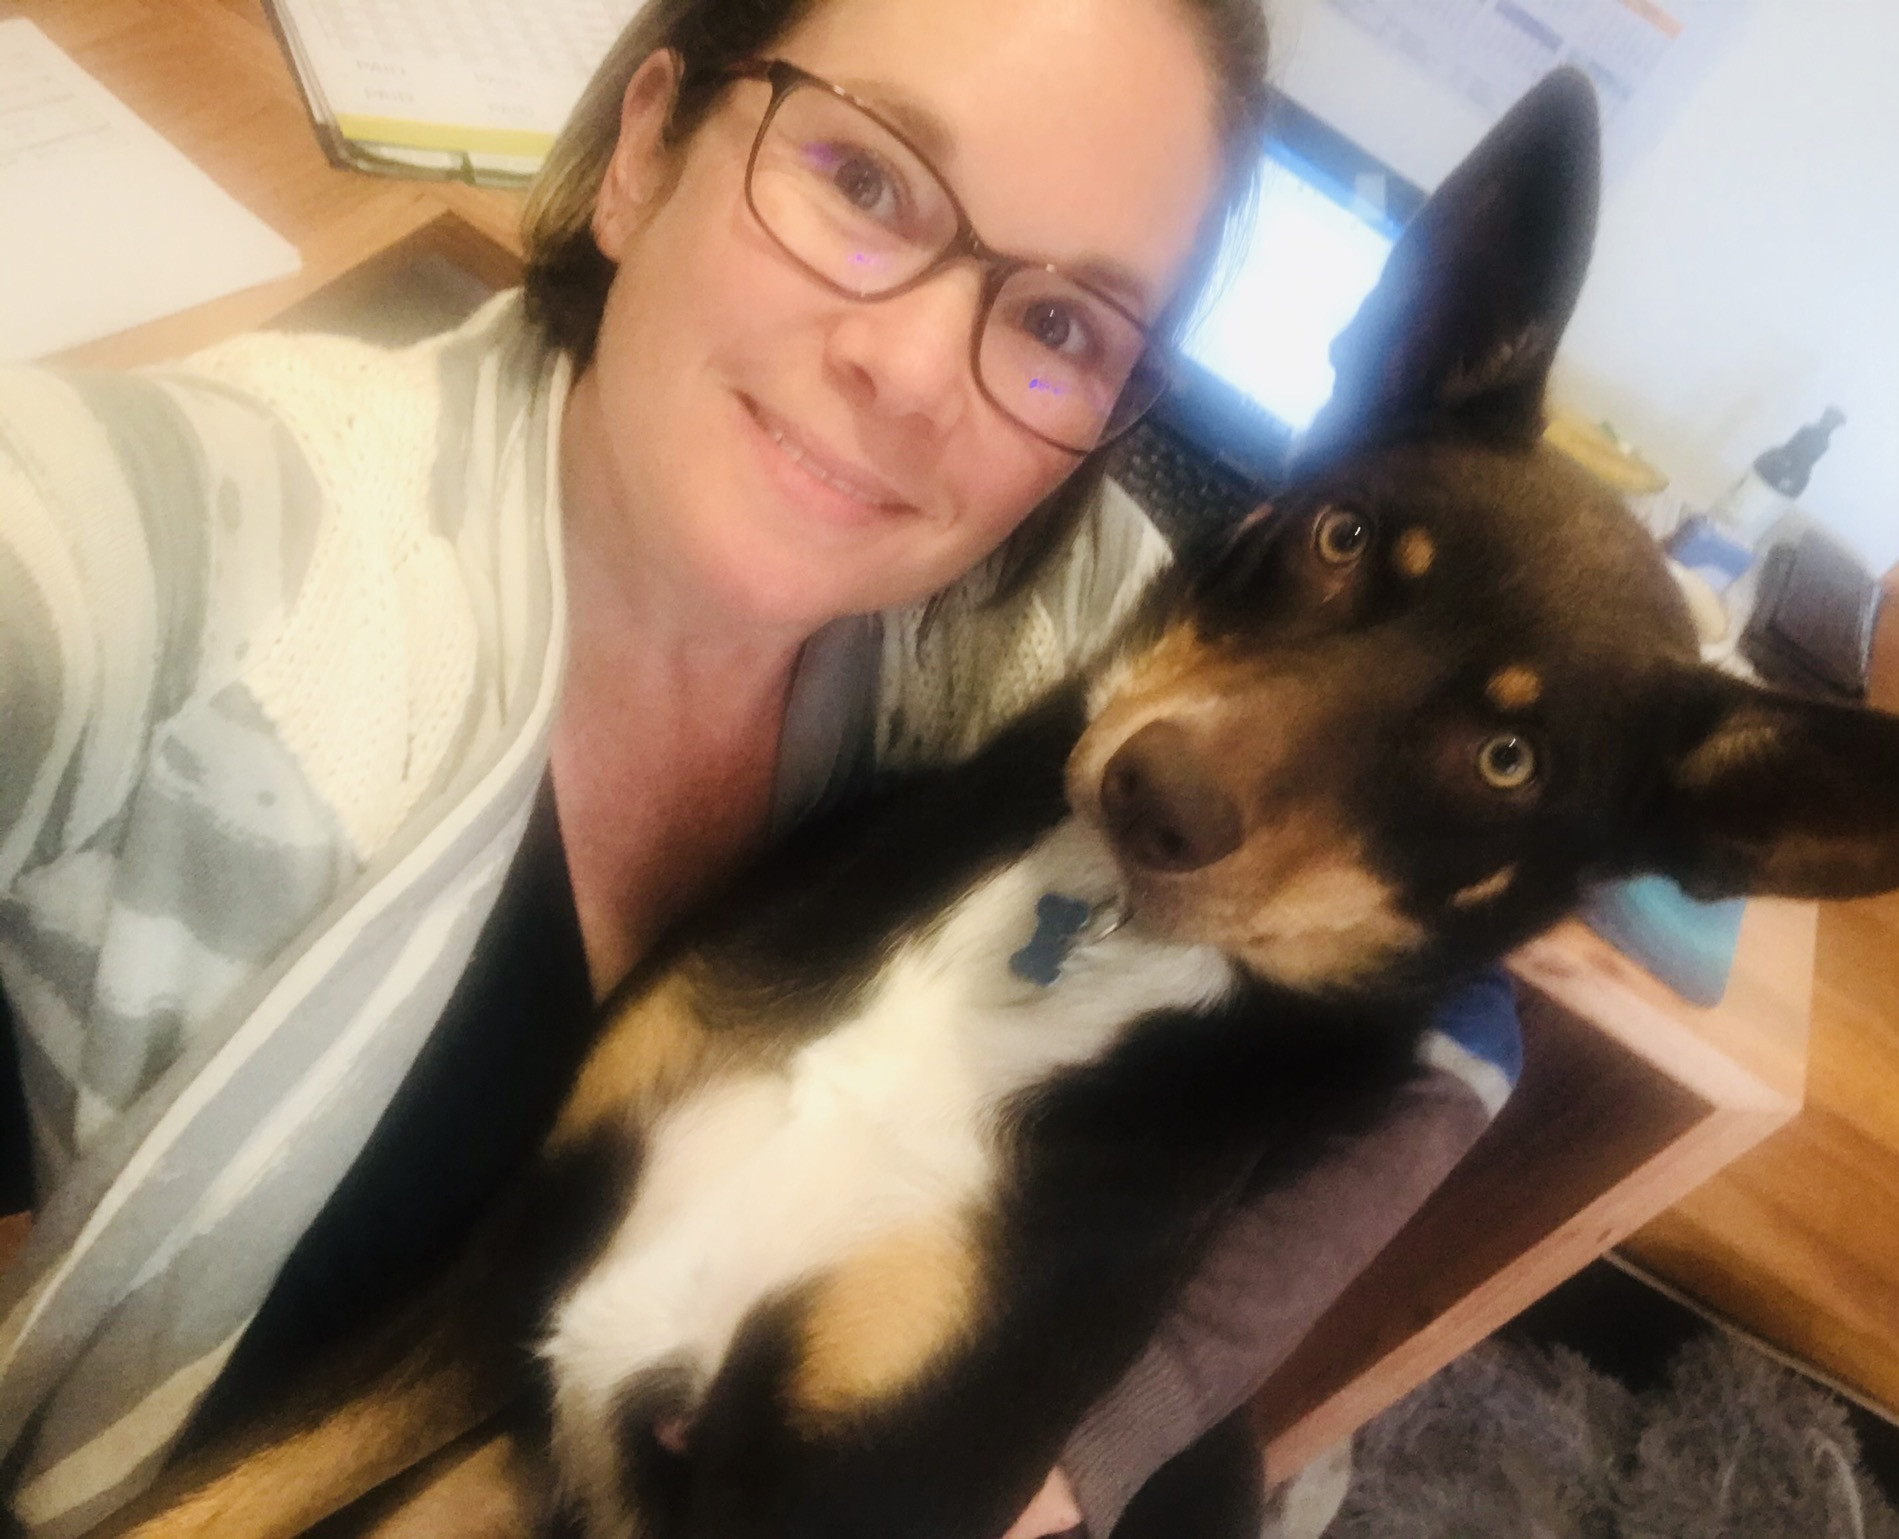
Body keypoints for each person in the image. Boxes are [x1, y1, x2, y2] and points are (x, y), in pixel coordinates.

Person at [0, 0, 1518, 1533]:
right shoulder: (211, 551)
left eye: (1061, 326)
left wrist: (1091, 1447)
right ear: (644, 151)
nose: (915, 372)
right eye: (865, 181)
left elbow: (1471, 1024)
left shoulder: (1056, 628)